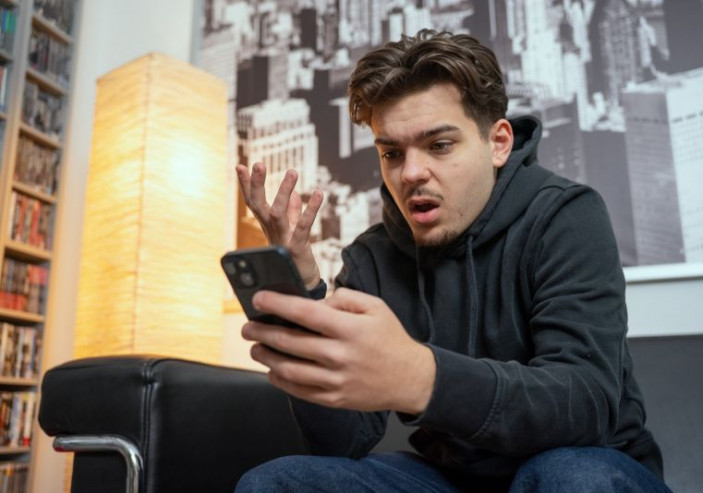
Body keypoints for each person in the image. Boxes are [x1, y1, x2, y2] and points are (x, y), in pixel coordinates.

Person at [233, 30, 670, 492]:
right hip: (453, 481)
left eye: (439, 145)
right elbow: (343, 442)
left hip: (589, 468)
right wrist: (303, 293)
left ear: (498, 143)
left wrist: (423, 377)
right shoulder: (371, 259)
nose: (410, 172)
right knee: (276, 483)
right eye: (392, 153)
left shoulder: (566, 216)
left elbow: (584, 405)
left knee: (568, 476)